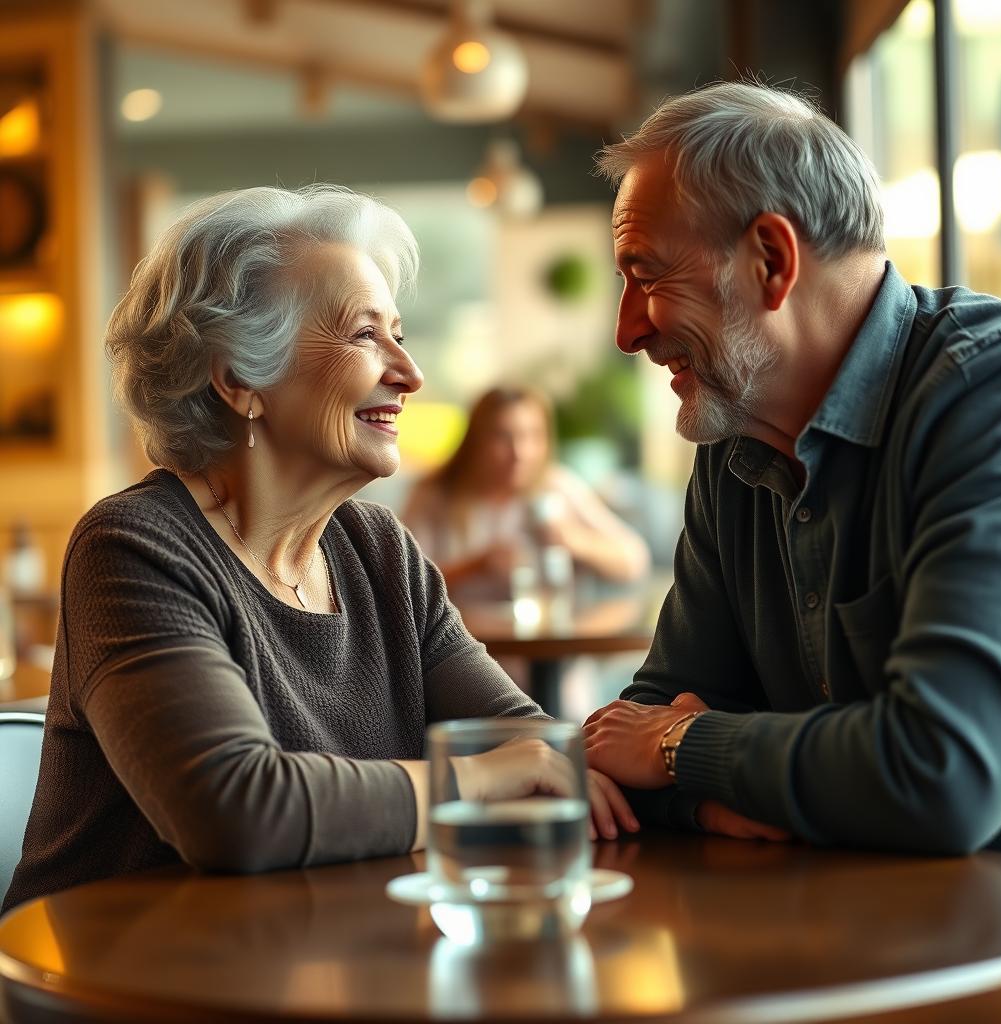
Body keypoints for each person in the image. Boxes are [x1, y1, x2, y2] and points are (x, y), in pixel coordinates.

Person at [2, 186, 635, 912]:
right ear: (241, 378)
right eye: (365, 335)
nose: (410, 373)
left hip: (321, 952)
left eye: (400, 334)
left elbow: (533, 748)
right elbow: (238, 813)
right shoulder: (135, 548)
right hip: (126, 967)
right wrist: (480, 780)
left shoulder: (379, 551)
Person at [582, 81, 1001, 855]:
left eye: (646, 276)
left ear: (772, 259)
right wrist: (702, 797)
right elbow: (626, 740)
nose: (627, 332)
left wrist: (686, 746)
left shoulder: (990, 395)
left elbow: (946, 772)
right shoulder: (736, 432)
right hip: (839, 914)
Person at [402, 386, 650, 603]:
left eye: (532, 435)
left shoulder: (558, 486)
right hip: (459, 637)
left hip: (549, 638)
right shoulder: (433, 494)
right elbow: (407, 583)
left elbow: (634, 561)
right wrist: (478, 565)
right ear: (476, 440)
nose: (519, 453)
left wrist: (573, 541)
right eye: (502, 436)